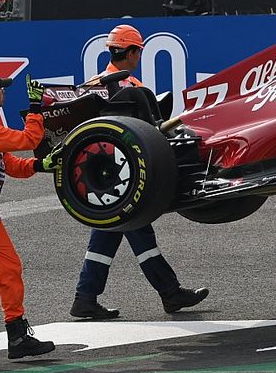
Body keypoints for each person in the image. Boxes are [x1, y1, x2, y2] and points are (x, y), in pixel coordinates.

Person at [70, 24, 209, 319]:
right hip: (128, 177)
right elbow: (151, 131)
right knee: (137, 231)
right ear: (131, 52)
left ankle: (85, 297)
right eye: (138, 51)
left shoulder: (94, 84)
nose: (138, 57)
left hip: (103, 180)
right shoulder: (131, 88)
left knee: (107, 233)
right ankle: (169, 293)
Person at [0, 72, 57, 358]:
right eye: (1, 89)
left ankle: (17, 336)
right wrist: (36, 107)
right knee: (9, 267)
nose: (4, 93)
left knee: (10, 267)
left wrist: (41, 165)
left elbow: (11, 164)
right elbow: (31, 137)